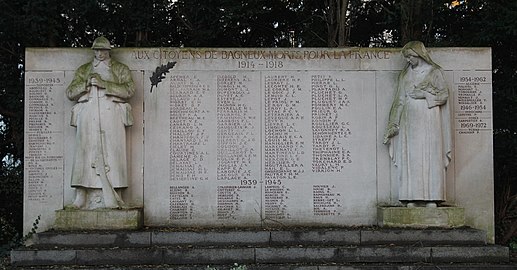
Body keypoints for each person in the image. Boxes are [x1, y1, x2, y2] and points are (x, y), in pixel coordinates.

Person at [66, 36, 135, 209]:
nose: (100, 53)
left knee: (113, 153)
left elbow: (129, 90)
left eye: (103, 50)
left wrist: (105, 84)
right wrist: (85, 84)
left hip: (111, 115)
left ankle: (115, 194)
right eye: (97, 50)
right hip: (88, 115)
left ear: (108, 51)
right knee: (84, 153)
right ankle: (81, 196)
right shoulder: (84, 70)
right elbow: (70, 92)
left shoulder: (120, 69)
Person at [383, 41, 452, 208]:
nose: (408, 60)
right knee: (410, 157)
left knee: (430, 155)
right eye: (406, 57)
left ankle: (432, 197)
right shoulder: (405, 75)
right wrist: (393, 123)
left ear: (419, 55)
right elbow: (399, 100)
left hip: (429, 119)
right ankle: (410, 196)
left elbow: (443, 96)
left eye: (410, 56)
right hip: (409, 121)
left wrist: (424, 95)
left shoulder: (435, 72)